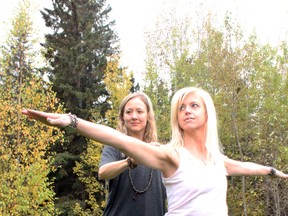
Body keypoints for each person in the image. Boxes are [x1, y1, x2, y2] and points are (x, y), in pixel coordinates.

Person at [21, 87, 288, 215]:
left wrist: (274, 171)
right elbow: (117, 140)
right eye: (181, 108)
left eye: (194, 105)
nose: (186, 111)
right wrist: (72, 121)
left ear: (208, 112)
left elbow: (246, 166)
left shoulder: (216, 160)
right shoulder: (170, 154)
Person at [98, 92, 166, 216]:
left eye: (139, 111)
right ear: (123, 117)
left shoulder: (160, 152)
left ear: (148, 116)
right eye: (128, 112)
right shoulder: (115, 146)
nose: (134, 116)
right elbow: (103, 173)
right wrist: (129, 161)